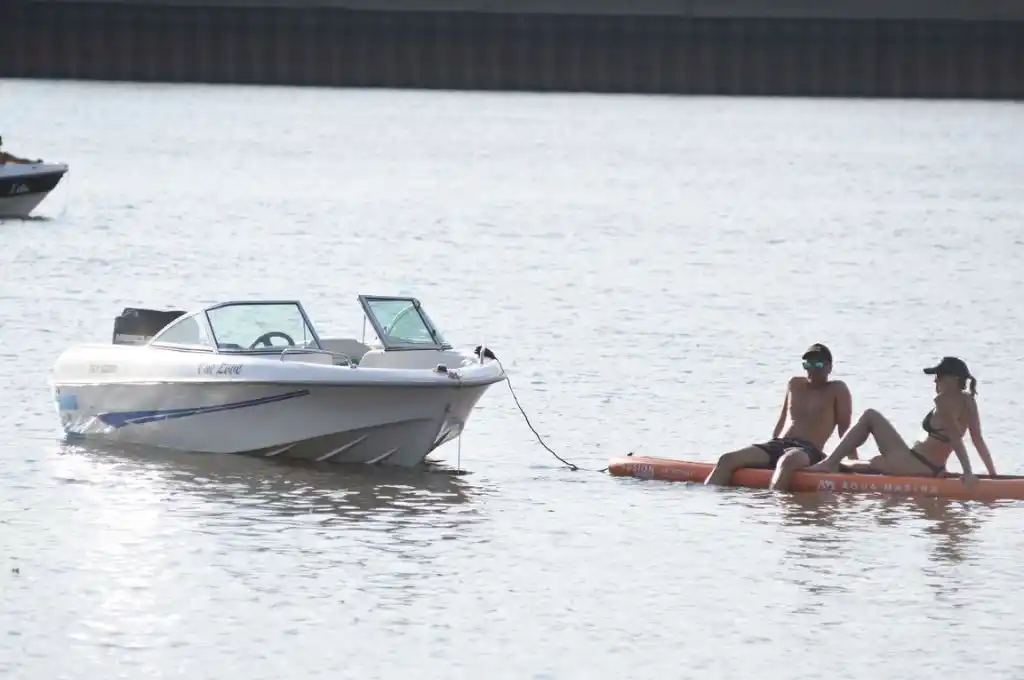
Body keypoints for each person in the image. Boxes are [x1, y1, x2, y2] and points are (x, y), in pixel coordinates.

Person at [805, 356, 995, 487]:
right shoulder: (969, 401)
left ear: (954, 379)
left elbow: (955, 438)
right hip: (930, 467)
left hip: (916, 465)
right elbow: (977, 439)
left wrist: (968, 473)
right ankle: (830, 463)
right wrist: (993, 475)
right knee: (868, 464)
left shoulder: (944, 401)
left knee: (870, 416)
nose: (935, 381)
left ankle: (828, 463)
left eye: (939, 377)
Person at [704, 343, 854, 492]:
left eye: (818, 364)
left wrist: (853, 463)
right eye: (808, 364)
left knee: (787, 461)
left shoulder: (837, 389)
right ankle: (707, 502)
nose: (812, 369)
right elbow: (783, 420)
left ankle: (773, 508)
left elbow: (845, 431)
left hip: (808, 450)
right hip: (779, 444)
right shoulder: (794, 385)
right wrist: (769, 446)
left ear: (829, 367)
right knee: (727, 459)